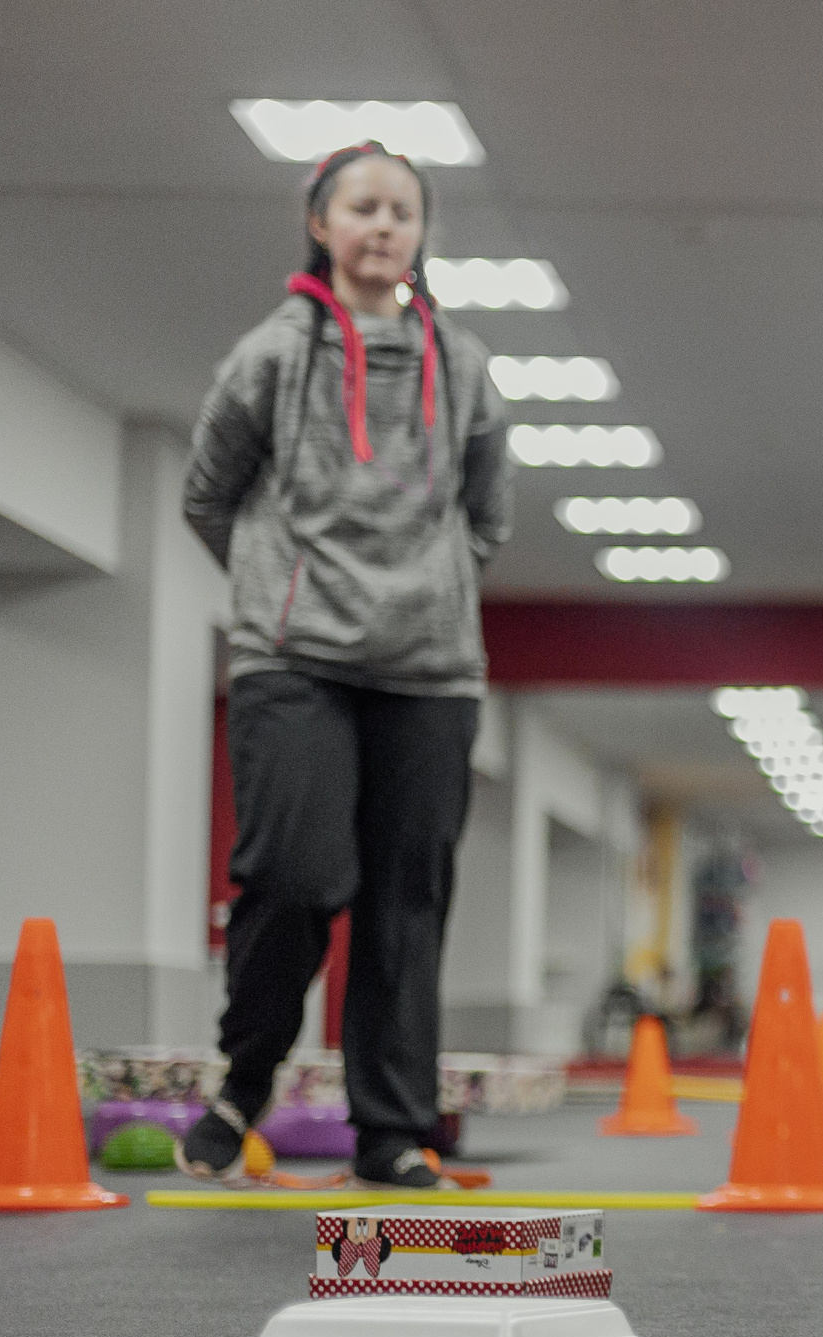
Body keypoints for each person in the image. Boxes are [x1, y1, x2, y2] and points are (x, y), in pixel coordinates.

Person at [176, 141, 513, 1187]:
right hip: (296, 658)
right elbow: (207, 495)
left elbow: (487, 516)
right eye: (363, 208)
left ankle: (392, 1133)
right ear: (320, 224)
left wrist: (427, 593)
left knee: (407, 904)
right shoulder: (270, 356)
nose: (384, 227)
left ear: (420, 234)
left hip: (430, 670)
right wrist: (282, 592)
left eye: (402, 212)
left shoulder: (464, 366)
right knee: (296, 874)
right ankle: (245, 1079)